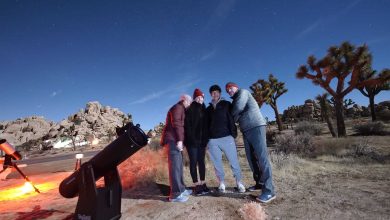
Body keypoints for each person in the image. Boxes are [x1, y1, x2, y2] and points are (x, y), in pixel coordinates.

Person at [225, 82, 276, 203]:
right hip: (246, 130)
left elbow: (238, 108)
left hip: (256, 126)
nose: (229, 91)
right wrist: (237, 116)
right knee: (251, 158)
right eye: (227, 91)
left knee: (262, 158)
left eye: (230, 88)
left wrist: (231, 117)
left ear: (236, 87)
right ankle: (260, 183)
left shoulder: (243, 92)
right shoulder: (235, 99)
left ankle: (269, 191)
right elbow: (237, 113)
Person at [206, 85, 246, 193]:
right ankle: (222, 183)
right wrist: (207, 139)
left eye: (217, 92)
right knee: (217, 164)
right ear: (211, 94)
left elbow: (231, 119)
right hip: (213, 140)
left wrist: (233, 134)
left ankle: (239, 182)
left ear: (220, 93)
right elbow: (205, 125)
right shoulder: (208, 109)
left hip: (227, 138)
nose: (215, 94)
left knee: (234, 162)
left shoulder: (227, 104)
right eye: (213, 92)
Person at [160, 94, 193, 202]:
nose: (189, 105)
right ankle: (175, 195)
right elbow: (177, 124)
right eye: (189, 102)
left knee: (178, 166)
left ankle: (181, 189)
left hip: (176, 141)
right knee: (174, 167)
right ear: (184, 100)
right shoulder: (177, 108)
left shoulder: (180, 108)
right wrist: (179, 140)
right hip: (173, 140)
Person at [184, 88, 210, 195]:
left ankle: (203, 183)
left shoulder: (205, 110)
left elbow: (206, 127)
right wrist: (191, 139)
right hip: (192, 142)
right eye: (198, 97)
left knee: (202, 162)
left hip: (202, 142)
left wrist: (206, 140)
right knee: (193, 163)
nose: (200, 99)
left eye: (202, 97)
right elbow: (187, 127)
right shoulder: (190, 109)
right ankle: (196, 184)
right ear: (195, 98)